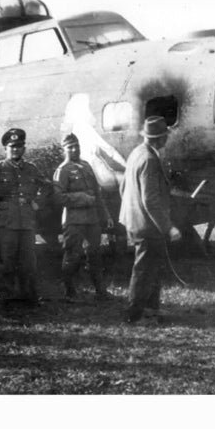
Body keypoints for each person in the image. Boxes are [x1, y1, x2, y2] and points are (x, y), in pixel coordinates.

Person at [0, 128, 51, 306]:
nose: (15, 150)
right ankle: (5, 296)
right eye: (12, 147)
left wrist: (37, 202)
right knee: (5, 261)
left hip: (27, 221)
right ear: (5, 149)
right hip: (6, 222)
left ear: (24, 148)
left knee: (28, 261)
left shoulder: (31, 169)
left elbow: (47, 186)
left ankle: (28, 296)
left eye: (19, 146)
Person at [119, 116, 181, 324]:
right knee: (144, 270)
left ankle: (151, 311)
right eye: (165, 137)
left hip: (137, 221)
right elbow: (150, 200)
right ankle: (134, 316)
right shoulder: (150, 160)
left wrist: (131, 211)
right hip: (147, 226)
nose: (166, 140)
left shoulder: (136, 153)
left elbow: (123, 187)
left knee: (153, 267)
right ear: (160, 138)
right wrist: (169, 227)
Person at [54, 133, 113, 302]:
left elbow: (97, 193)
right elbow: (58, 198)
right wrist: (83, 197)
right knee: (73, 255)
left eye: (76, 146)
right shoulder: (62, 171)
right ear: (63, 149)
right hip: (74, 220)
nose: (74, 149)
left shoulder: (86, 166)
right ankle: (70, 292)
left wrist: (106, 214)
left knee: (95, 254)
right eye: (70, 147)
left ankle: (100, 291)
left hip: (92, 219)